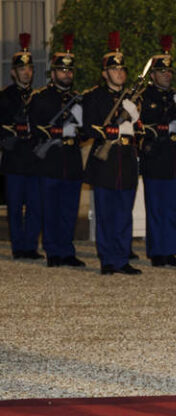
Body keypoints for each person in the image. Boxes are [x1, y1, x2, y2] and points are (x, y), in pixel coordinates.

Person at [82, 31, 142, 275]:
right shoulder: (93, 97)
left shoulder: (132, 97)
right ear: (105, 72)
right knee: (106, 212)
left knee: (124, 211)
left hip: (126, 159)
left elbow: (140, 129)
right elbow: (86, 128)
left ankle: (122, 256)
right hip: (105, 159)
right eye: (115, 70)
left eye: (122, 70)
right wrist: (113, 129)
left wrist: (135, 119)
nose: (120, 73)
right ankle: (107, 259)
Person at [27, 34, 85, 268]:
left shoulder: (78, 99)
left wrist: (77, 131)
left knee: (69, 210)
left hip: (71, 160)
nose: (66, 74)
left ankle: (67, 250)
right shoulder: (40, 98)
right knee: (50, 209)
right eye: (62, 70)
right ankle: (53, 251)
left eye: (69, 71)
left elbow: (86, 130)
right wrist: (58, 131)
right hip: (50, 161)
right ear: (53, 74)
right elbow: (35, 127)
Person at [139, 36, 176, 268]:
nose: (167, 75)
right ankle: (156, 251)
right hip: (156, 157)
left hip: (175, 159)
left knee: (172, 208)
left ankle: (170, 250)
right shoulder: (145, 97)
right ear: (153, 75)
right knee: (156, 208)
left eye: (169, 72)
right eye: (162, 72)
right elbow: (144, 125)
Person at [1, 33, 42, 261]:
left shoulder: (39, 96)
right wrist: (11, 131)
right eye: (22, 69)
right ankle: (18, 246)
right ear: (13, 72)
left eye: (29, 69)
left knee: (35, 206)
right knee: (15, 207)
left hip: (35, 158)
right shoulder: (4, 97)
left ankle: (31, 246)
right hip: (14, 159)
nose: (26, 72)